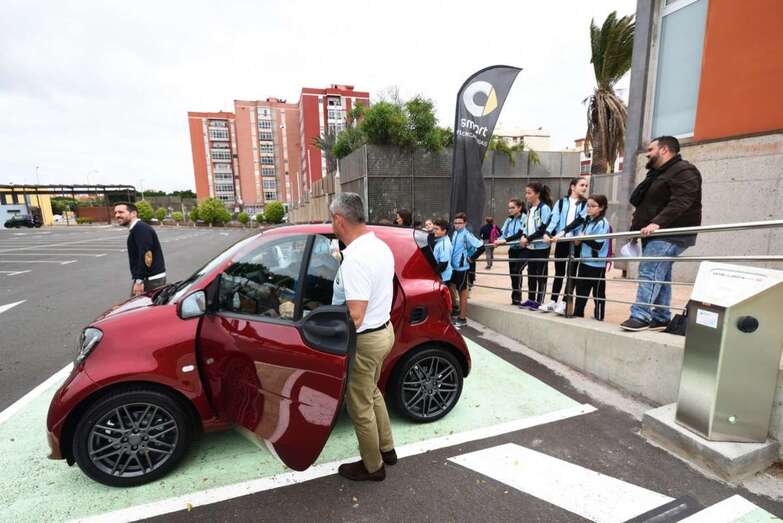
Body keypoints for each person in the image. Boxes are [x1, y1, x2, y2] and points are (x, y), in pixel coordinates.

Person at [329, 192, 397, 482]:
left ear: (339, 220)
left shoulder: (355, 259)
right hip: (384, 331)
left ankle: (373, 466)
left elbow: (355, 315)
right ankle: (387, 449)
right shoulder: (379, 246)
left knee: (359, 405)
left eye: (331, 220)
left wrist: (325, 328)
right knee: (372, 391)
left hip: (365, 340)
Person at [621, 136, 702, 332]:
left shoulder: (684, 170)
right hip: (654, 234)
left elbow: (682, 201)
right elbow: (644, 206)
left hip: (670, 233)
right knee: (660, 274)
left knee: (649, 270)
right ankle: (661, 316)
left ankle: (641, 315)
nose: (647, 153)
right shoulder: (657, 174)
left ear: (664, 150)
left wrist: (658, 223)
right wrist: (635, 232)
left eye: (651, 149)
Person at [540, 177, 589, 314]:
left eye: (586, 185)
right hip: (561, 242)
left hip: (575, 242)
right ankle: (553, 301)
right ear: (573, 187)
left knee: (571, 273)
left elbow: (579, 221)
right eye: (582, 185)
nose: (584, 188)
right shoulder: (561, 202)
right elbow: (554, 219)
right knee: (559, 272)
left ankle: (564, 303)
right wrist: (547, 233)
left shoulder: (586, 204)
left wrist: (562, 232)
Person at [508, 183, 553, 310]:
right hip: (530, 247)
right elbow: (526, 227)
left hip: (541, 248)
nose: (526, 195)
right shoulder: (530, 209)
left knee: (541, 275)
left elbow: (543, 228)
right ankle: (531, 299)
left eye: (529, 193)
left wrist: (528, 238)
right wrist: (524, 236)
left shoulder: (544, 208)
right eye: (526, 192)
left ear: (537, 194)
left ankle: (539, 301)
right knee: (531, 274)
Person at [114, 203, 166, 297]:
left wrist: (139, 281)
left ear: (133, 213)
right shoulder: (137, 229)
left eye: (121, 212)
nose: (117, 215)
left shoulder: (140, 229)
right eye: (115, 212)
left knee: (138, 305)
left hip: (150, 280)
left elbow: (146, 255)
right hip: (148, 278)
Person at [572, 195, 610, 320]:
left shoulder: (602, 223)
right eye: (588, 205)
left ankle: (599, 317)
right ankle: (578, 315)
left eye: (593, 206)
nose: (589, 208)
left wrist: (583, 238)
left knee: (598, 292)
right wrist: (579, 239)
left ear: (601, 207)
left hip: (596, 265)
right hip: (584, 262)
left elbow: (598, 245)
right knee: (580, 292)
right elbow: (578, 240)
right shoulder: (587, 221)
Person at [449, 212, 484, 327]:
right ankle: (455, 309)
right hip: (453, 267)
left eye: (459, 223)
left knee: (462, 293)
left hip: (462, 268)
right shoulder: (455, 233)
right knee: (450, 287)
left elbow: (481, 247)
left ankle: (462, 318)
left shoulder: (467, 235)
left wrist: (471, 258)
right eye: (455, 223)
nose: (457, 225)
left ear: (465, 223)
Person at [493, 199, 526, 305]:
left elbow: (520, 234)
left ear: (519, 208)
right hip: (512, 250)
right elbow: (503, 234)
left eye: (513, 207)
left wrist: (505, 240)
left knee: (517, 270)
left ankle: (518, 296)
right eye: (509, 208)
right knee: (512, 273)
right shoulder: (509, 220)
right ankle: (515, 298)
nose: (510, 210)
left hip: (523, 250)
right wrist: (498, 241)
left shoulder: (525, 217)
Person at [431, 219, 453, 283]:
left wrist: (432, 274)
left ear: (444, 231)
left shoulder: (444, 244)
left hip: (443, 277)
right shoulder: (441, 240)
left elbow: (443, 264)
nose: (434, 231)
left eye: (436, 229)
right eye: (434, 228)